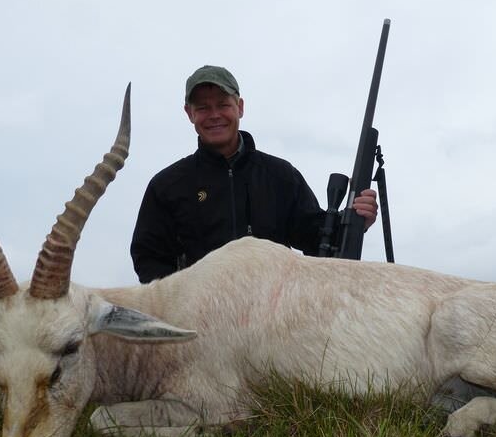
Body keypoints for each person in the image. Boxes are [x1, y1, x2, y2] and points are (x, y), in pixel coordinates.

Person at [130, 65, 378, 283]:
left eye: (223, 105)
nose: (214, 115)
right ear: (189, 113)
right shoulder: (167, 186)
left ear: (239, 107)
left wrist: (355, 221)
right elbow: (149, 259)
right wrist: (184, 303)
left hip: (275, 322)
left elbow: (317, 241)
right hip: (202, 326)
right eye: (203, 108)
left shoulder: (281, 176)